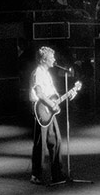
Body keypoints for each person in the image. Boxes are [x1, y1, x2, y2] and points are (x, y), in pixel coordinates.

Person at [29, 46, 76, 185]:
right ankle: (36, 175)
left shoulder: (47, 74)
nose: (54, 60)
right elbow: (39, 93)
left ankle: (57, 174)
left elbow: (52, 95)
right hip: (41, 111)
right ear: (44, 59)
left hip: (49, 111)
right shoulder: (38, 72)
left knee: (55, 141)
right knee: (40, 144)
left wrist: (69, 94)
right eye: (52, 57)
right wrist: (51, 104)